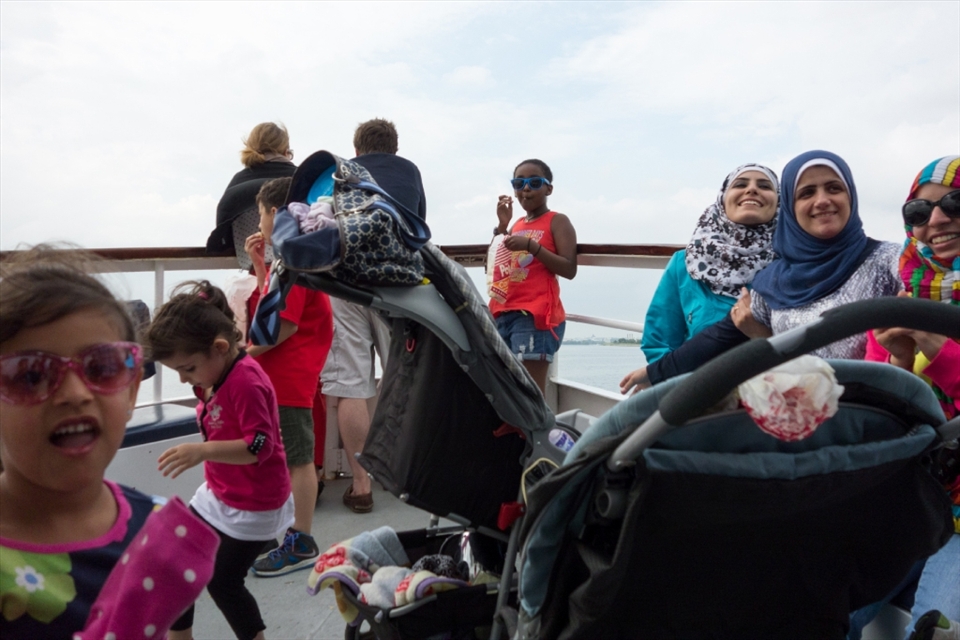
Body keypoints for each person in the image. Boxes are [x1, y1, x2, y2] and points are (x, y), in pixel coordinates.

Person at [620, 150, 902, 393]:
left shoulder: (889, 260)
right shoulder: (777, 278)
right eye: (806, 193)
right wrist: (658, 374)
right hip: (772, 410)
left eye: (834, 188)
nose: (821, 201)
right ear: (792, 209)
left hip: (869, 414)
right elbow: (717, 338)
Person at [0, 248, 167, 636]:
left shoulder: (157, 529)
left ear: (131, 392)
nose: (74, 393)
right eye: (29, 375)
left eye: (103, 367)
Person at [848, 155, 960, 640]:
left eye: (954, 204)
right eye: (918, 211)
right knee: (810, 609)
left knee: (939, 629)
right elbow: (882, 418)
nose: (935, 221)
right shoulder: (900, 299)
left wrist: (936, 348)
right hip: (910, 495)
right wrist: (896, 361)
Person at [146, 280, 294, 640]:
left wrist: (202, 451)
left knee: (223, 583)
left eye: (188, 368)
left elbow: (259, 444)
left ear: (220, 348)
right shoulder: (214, 373)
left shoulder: (245, 382)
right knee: (175, 565)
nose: (183, 380)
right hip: (221, 493)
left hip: (255, 504)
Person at [321, 118, 426, 514]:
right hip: (396, 287)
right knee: (400, 375)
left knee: (351, 384)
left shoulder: (343, 173)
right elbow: (419, 224)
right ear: (394, 148)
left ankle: (361, 485)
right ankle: (399, 475)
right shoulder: (409, 171)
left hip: (346, 282)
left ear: (358, 149)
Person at [619, 163, 778, 393]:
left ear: (778, 202)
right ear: (723, 198)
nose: (752, 190)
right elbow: (660, 341)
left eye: (764, 186)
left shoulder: (790, 263)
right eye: (740, 184)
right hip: (696, 396)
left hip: (771, 394)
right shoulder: (686, 263)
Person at [243, 177, 333, 576]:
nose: (259, 222)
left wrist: (240, 358)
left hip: (289, 378)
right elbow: (271, 303)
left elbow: (283, 325)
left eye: (260, 214)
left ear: (274, 213)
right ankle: (275, 529)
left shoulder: (292, 261)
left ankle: (302, 541)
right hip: (281, 377)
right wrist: (262, 265)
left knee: (297, 461)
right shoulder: (286, 257)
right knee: (278, 457)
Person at [489, 159, 578, 394]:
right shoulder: (516, 224)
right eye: (519, 183)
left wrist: (532, 247)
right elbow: (494, 266)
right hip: (504, 314)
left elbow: (569, 269)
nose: (525, 189)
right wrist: (502, 227)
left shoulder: (558, 221)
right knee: (505, 391)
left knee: (529, 396)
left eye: (534, 183)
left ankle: (536, 432)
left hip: (535, 318)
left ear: (549, 188)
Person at [206, 122, 297, 266]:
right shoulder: (302, 179)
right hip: (297, 269)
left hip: (253, 266)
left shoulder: (237, 182)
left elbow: (223, 237)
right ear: (286, 151)